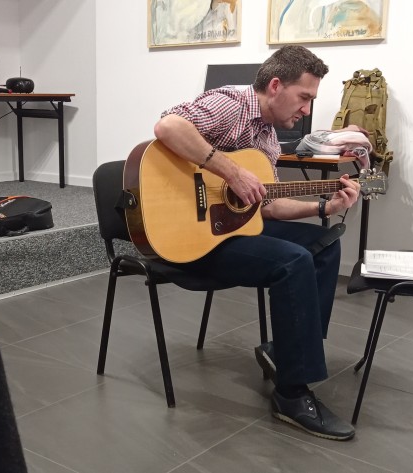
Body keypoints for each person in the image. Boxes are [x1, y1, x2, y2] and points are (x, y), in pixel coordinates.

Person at [153, 45, 361, 441]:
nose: (307, 110)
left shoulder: (267, 140)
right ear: (276, 86)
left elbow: (268, 206)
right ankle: (291, 395)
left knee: (325, 243)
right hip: (189, 238)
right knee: (292, 261)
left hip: (227, 230)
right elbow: (168, 128)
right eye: (304, 97)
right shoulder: (231, 103)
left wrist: (325, 206)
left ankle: (286, 353)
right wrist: (230, 171)